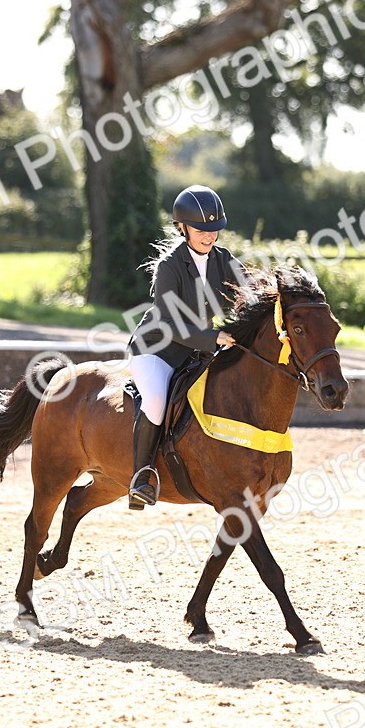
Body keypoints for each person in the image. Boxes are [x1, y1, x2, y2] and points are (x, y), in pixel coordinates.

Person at [126, 184, 243, 510]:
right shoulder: (170, 266)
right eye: (201, 230)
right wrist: (213, 338)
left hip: (196, 352)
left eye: (214, 230)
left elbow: (249, 296)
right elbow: (168, 323)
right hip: (157, 350)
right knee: (155, 401)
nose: (209, 236)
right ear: (183, 228)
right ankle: (141, 478)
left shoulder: (223, 260)